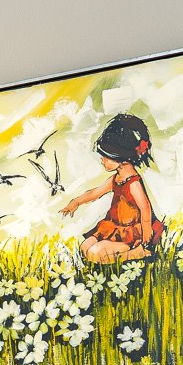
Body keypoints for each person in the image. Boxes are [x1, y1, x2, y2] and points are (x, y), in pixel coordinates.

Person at [60, 112, 165, 263]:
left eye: (107, 157)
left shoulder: (133, 183)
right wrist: (76, 202)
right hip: (114, 227)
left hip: (132, 232)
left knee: (96, 254)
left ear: (122, 158)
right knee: (85, 247)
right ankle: (123, 253)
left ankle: (135, 253)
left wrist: (146, 229)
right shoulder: (116, 179)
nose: (102, 161)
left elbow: (145, 207)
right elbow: (95, 193)